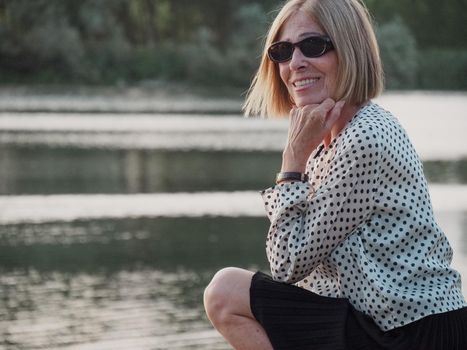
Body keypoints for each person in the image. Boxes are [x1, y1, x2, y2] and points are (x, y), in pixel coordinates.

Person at [203, 0, 467, 349]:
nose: (295, 63)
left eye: (313, 46)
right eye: (282, 51)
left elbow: (287, 263)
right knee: (228, 294)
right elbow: (310, 277)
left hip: (415, 332)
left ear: (350, 50)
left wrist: (291, 162)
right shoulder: (332, 139)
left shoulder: (364, 137)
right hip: (379, 321)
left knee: (226, 292)